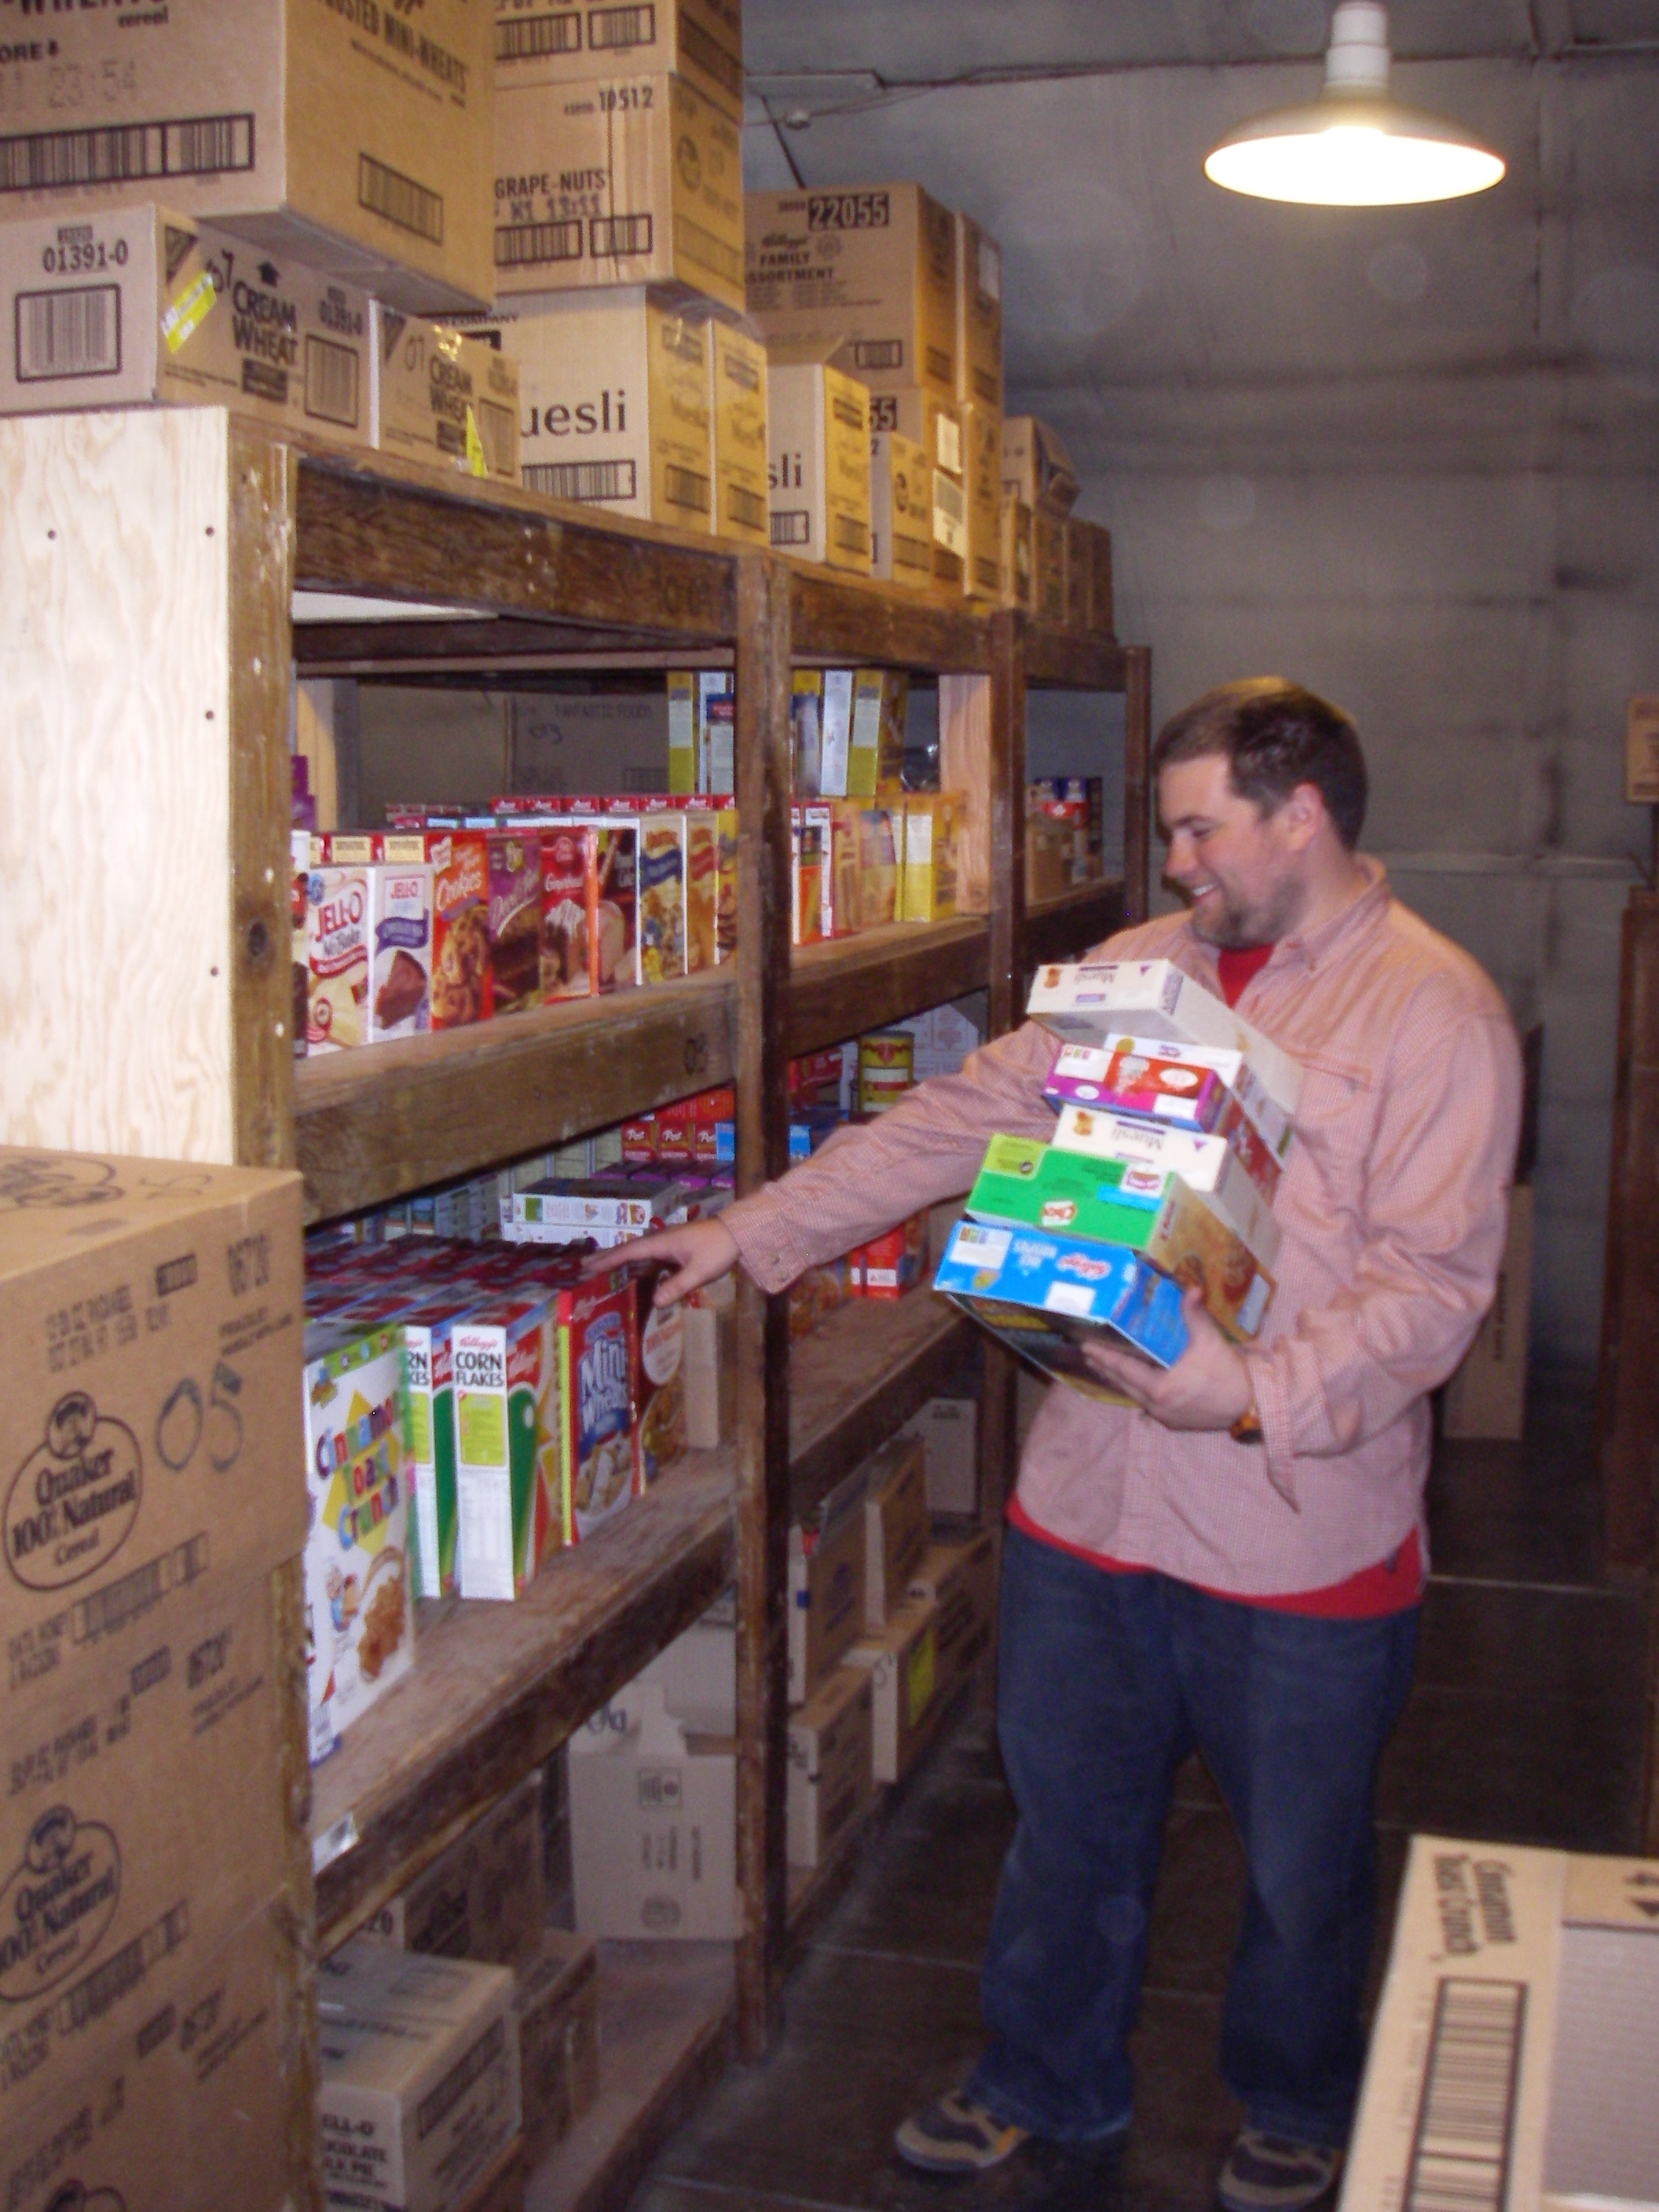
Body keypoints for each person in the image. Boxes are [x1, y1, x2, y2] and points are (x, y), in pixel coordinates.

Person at [597, 679, 1522, 2212]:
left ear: (1302, 815)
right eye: (1170, 832)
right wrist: (752, 1233)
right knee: (1067, 1831)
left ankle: (1295, 2099)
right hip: (1089, 1505)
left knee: (1302, 1867)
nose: (1176, 862)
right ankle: (1044, 2078)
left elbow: (1432, 1293)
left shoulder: (1436, 1013)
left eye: (1200, 830)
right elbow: (952, 1119)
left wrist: (1249, 1388)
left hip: (1297, 1525)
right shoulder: (1126, 978)